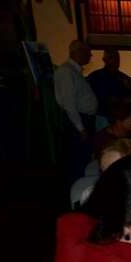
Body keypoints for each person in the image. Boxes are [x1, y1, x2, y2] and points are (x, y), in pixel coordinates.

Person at [54, 40, 98, 187]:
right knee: (77, 161)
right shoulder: (66, 71)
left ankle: (82, 190)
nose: (90, 55)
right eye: (87, 52)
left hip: (84, 120)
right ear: (77, 52)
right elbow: (69, 104)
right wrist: (81, 128)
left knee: (84, 159)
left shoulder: (75, 71)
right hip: (78, 122)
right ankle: (76, 194)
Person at [86, 49, 131, 122]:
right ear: (104, 60)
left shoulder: (124, 78)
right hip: (102, 115)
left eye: (117, 58)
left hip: (120, 117)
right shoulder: (95, 77)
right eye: (112, 57)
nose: (116, 60)